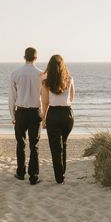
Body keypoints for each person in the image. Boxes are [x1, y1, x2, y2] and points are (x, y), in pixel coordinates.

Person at [8, 47, 44, 185]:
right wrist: (43, 114)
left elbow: (12, 97)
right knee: (34, 145)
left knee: (20, 144)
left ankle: (20, 173)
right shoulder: (41, 74)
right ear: (36, 57)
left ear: (24, 57)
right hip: (35, 113)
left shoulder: (15, 73)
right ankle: (33, 177)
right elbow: (44, 97)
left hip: (21, 112)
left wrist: (12, 115)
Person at [41, 54, 75, 184]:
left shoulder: (46, 82)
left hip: (53, 114)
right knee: (63, 144)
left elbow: (45, 102)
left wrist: (44, 118)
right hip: (67, 114)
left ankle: (59, 177)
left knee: (55, 147)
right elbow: (72, 98)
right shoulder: (70, 79)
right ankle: (62, 173)